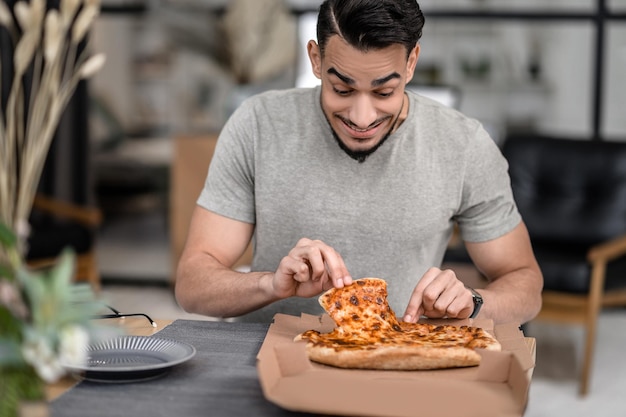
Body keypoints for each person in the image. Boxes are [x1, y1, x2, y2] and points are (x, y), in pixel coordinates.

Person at [175, 0, 543, 325]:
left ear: (412, 62)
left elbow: (524, 283)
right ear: (316, 60)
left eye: (384, 92)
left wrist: (474, 302)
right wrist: (270, 284)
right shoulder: (258, 123)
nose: (362, 117)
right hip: (264, 358)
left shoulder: (463, 145)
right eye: (343, 89)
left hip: (393, 363)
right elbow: (192, 286)